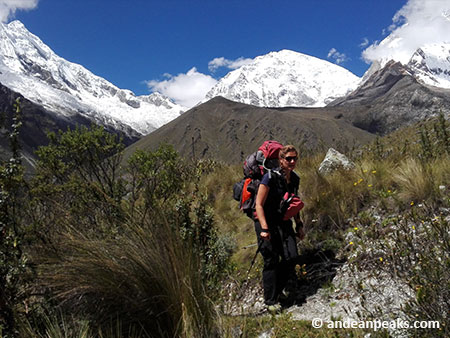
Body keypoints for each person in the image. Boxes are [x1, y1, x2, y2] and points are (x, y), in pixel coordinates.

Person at [254, 144, 305, 312]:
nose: (292, 161)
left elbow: (294, 203)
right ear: (280, 160)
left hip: (283, 221)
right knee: (271, 259)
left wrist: (299, 225)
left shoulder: (295, 179)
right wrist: (264, 228)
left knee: (291, 255)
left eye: (294, 158)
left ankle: (282, 289)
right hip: (266, 221)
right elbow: (258, 205)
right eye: (288, 158)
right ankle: (270, 301)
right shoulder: (270, 177)